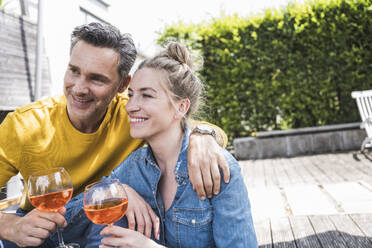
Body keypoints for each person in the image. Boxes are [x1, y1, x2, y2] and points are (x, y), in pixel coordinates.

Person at [0, 23, 230, 247]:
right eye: (74, 71)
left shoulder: (136, 117)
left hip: (105, 227)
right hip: (37, 233)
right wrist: (11, 227)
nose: (79, 88)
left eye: (96, 79)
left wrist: (202, 136)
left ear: (123, 84)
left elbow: (202, 129)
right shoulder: (24, 125)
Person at [84, 42, 258, 247]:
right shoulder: (131, 169)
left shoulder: (217, 169)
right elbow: (84, 214)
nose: (131, 106)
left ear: (181, 107)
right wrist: (118, 188)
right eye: (131, 95)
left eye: (147, 95)